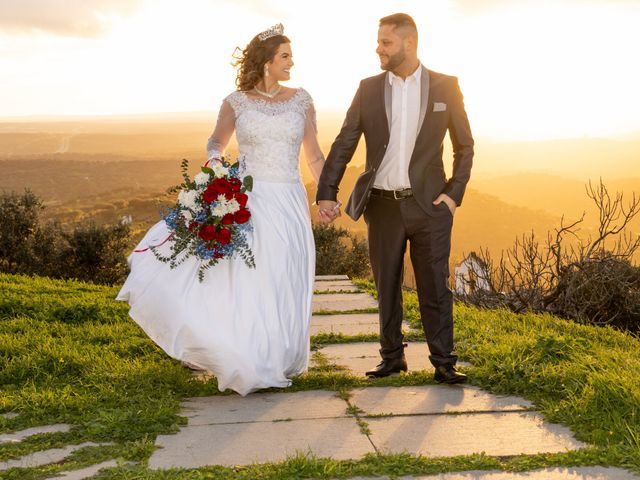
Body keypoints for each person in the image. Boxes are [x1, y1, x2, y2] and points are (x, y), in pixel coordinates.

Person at [117, 23, 327, 396]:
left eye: (291, 56)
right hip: (249, 196)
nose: (292, 62)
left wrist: (327, 194)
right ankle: (249, 352)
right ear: (265, 62)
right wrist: (215, 161)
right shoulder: (236, 102)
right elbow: (216, 141)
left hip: (290, 198)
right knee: (253, 275)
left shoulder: (302, 100)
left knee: (283, 272)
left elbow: (313, 154)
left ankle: (278, 353)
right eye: (285, 56)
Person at [316, 13, 474, 384]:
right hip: (382, 206)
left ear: (409, 42)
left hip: (430, 206)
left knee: (435, 286)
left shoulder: (445, 86)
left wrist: (453, 195)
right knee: (386, 285)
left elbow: (464, 147)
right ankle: (392, 358)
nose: (378, 49)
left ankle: (444, 362)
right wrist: (327, 193)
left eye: (385, 42)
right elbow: (345, 141)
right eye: (379, 41)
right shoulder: (368, 88)